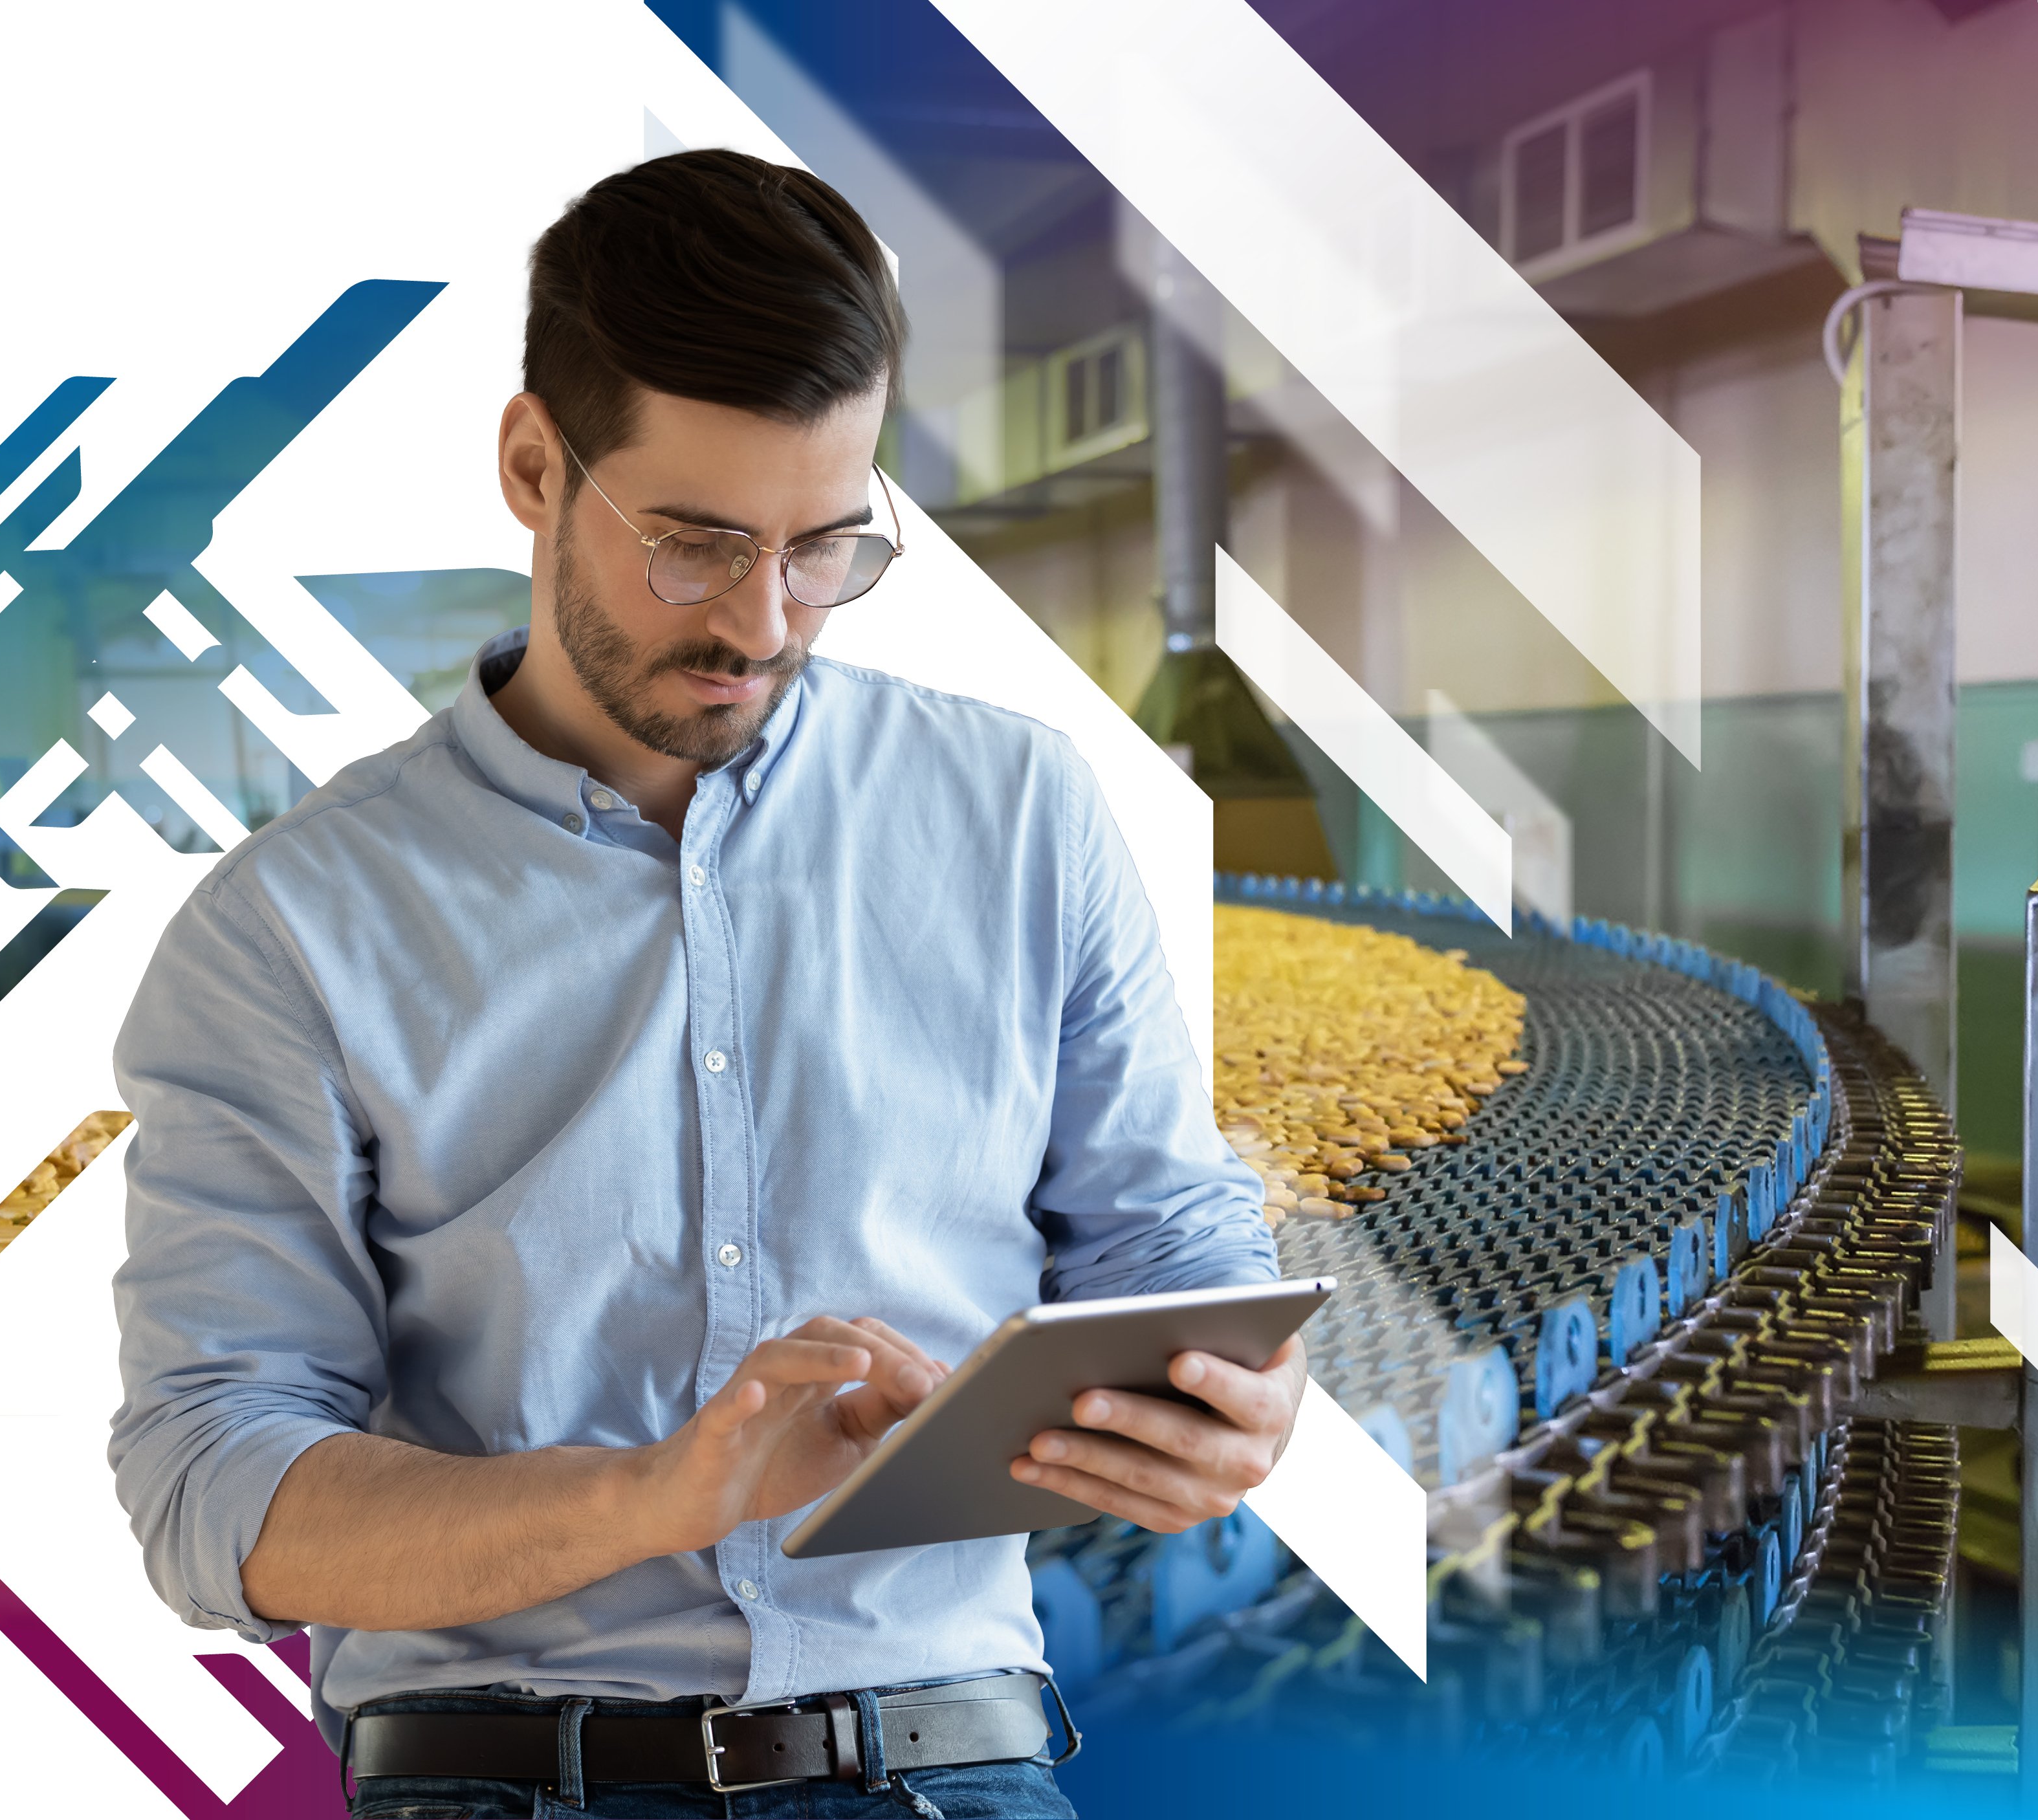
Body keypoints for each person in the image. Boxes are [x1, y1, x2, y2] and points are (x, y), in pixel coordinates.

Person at [108, 148, 1301, 1820]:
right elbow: (213, 1490)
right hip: (507, 1781)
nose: (763, 622)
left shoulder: (1024, 812)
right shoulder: (290, 928)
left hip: (948, 1761)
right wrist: (655, 1499)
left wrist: (1243, 1405)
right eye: (695, 544)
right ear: (534, 465)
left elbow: (1172, 1247)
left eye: (825, 548)